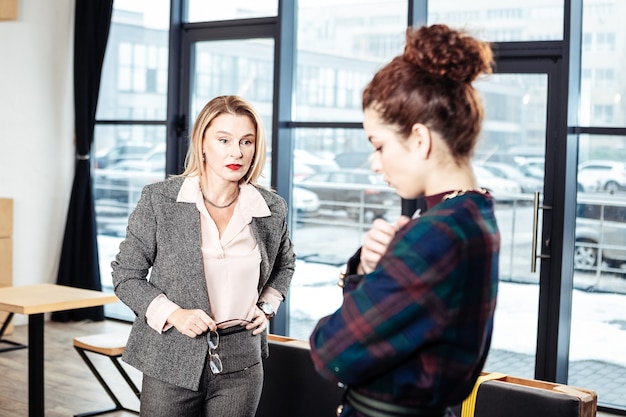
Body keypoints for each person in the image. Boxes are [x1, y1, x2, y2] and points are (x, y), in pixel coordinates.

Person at [309, 24, 500, 417]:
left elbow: (332, 352)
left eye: (379, 146)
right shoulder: (474, 214)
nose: (376, 165)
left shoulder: (436, 234)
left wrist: (368, 277)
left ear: (419, 139)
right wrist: (371, 270)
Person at [112, 95, 296, 417]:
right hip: (170, 357)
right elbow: (126, 276)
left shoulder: (270, 209)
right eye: (223, 140)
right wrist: (173, 314)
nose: (236, 152)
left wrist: (267, 305)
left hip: (242, 363)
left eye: (246, 142)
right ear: (203, 143)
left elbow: (285, 264)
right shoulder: (160, 200)